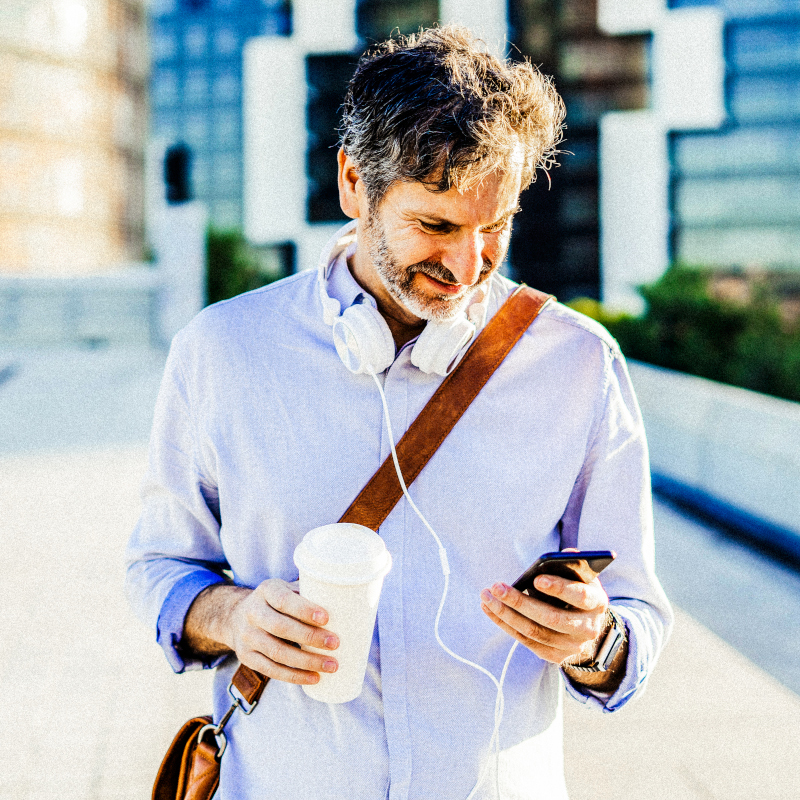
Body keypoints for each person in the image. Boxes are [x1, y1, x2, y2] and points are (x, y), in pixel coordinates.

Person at [126, 25, 672, 800]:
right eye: (436, 226)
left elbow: (637, 617)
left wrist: (595, 640)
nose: (468, 266)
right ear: (355, 183)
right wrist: (232, 617)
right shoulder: (222, 352)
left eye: (495, 227)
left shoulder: (580, 364)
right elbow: (160, 568)